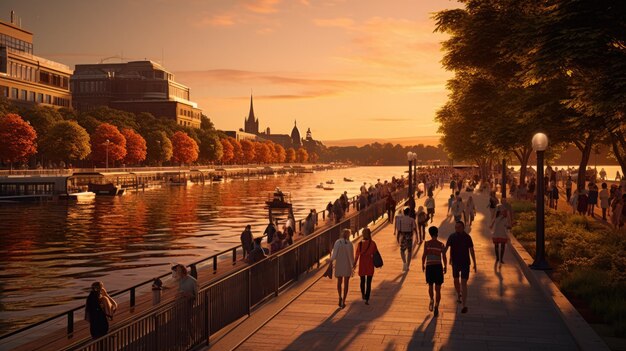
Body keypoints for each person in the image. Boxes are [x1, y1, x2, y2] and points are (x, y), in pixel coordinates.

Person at [445, 221, 476, 314]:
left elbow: (471, 250)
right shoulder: (452, 237)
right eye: (456, 227)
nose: (457, 229)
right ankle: (459, 294)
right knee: (455, 281)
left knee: (463, 283)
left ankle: (464, 304)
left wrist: (475, 263)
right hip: (455, 262)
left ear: (463, 227)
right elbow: (446, 248)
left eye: (458, 227)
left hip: (465, 263)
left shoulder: (467, 237)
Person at [422, 226, 447, 317]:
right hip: (438, 267)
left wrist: (423, 265)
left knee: (430, 285)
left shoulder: (427, 244)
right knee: (438, 289)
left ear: (430, 233)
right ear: (437, 233)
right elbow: (444, 257)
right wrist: (445, 266)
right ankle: (436, 305)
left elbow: (424, 255)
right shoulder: (441, 245)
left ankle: (431, 299)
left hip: (429, 266)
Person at [353, 227, 377, 305]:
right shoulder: (373, 243)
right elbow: (375, 253)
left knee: (362, 280)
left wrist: (354, 264)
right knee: (369, 282)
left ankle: (363, 294)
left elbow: (357, 255)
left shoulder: (360, 244)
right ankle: (367, 298)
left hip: (362, 265)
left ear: (363, 234)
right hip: (370, 264)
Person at [331, 229, 354, 308]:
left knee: (339, 281)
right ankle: (344, 300)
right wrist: (353, 266)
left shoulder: (337, 242)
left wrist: (330, 261)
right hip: (347, 265)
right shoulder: (350, 244)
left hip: (339, 264)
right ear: (349, 235)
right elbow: (351, 258)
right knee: (346, 283)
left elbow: (334, 256)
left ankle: (339, 296)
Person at [394, 207, 417, 272]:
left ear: (404, 213)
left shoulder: (400, 220)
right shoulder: (412, 220)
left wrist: (398, 238)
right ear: (409, 213)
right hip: (409, 237)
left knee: (402, 250)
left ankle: (404, 262)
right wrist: (417, 237)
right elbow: (415, 229)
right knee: (409, 251)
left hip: (403, 236)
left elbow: (398, 230)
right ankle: (407, 266)